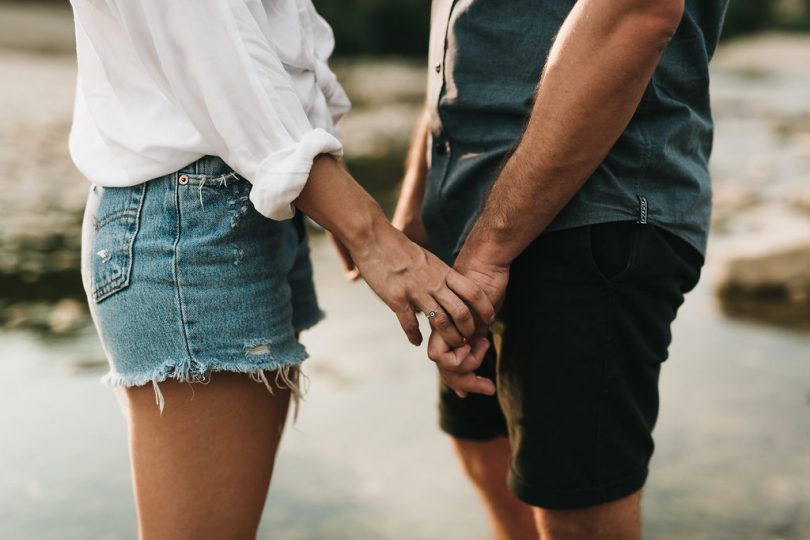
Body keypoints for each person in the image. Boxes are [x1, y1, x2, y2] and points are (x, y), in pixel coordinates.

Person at [70, 1, 494, 538]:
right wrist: (368, 231)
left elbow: (274, 35)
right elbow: (209, 46)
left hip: (248, 200)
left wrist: (331, 199)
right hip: (191, 217)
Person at [391, 0, 729, 538]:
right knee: (486, 455)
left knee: (574, 515)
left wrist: (489, 253)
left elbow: (639, 9)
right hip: (468, 213)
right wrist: (421, 182)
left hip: (593, 206)